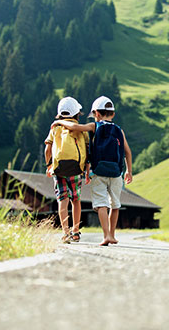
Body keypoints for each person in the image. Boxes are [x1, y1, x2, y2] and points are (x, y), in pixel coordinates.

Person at [52, 96, 132, 246]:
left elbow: (74, 127)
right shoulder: (119, 130)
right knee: (115, 205)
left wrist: (58, 122)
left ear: (96, 114)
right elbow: (127, 152)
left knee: (102, 204)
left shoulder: (95, 126)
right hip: (116, 173)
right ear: (113, 114)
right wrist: (129, 171)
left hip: (99, 173)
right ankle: (113, 235)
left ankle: (106, 235)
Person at [44, 97, 90, 243]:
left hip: (58, 169)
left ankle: (65, 232)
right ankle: (76, 231)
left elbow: (47, 149)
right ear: (77, 113)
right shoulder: (81, 130)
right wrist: (87, 167)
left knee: (62, 200)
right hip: (76, 170)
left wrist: (49, 165)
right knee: (76, 200)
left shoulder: (55, 128)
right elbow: (88, 151)